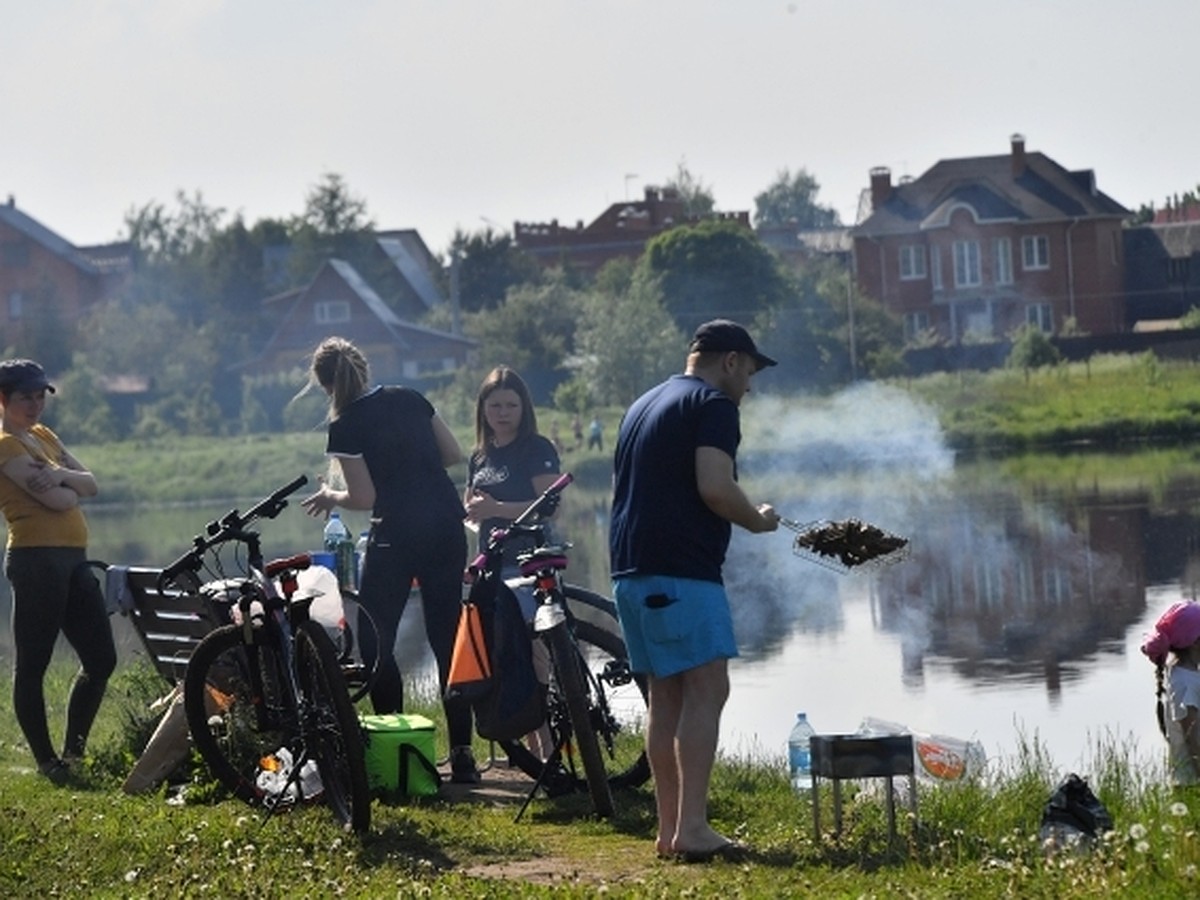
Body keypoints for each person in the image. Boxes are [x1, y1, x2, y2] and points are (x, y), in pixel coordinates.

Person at [609, 319, 780, 862]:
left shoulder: (644, 403)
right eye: (750, 371)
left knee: (668, 695)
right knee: (708, 688)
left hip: (631, 570)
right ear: (730, 361)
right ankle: (696, 829)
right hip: (681, 569)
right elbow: (714, 486)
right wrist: (756, 519)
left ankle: (670, 832)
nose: (750, 386)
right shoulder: (713, 405)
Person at [298, 337, 479, 783]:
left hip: (394, 535)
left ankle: (397, 748)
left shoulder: (345, 425)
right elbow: (453, 454)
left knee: (375, 639)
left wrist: (330, 495)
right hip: (444, 526)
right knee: (446, 639)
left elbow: (363, 497)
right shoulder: (409, 398)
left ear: (325, 386)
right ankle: (462, 755)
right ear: (363, 367)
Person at [0, 359, 114, 786]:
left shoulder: (42, 436)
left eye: (39, 395)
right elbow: (61, 502)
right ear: (4, 399)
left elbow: (91, 484)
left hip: (74, 559)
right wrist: (68, 485)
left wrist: (59, 474)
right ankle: (48, 762)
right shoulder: (6, 444)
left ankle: (74, 753)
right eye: (25, 396)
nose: (34, 404)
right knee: (33, 664)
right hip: (35, 560)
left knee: (101, 659)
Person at [1142, 600, 1200, 787]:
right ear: (1195, 642)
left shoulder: (1183, 675)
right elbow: (1194, 742)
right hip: (1191, 785)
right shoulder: (1185, 683)